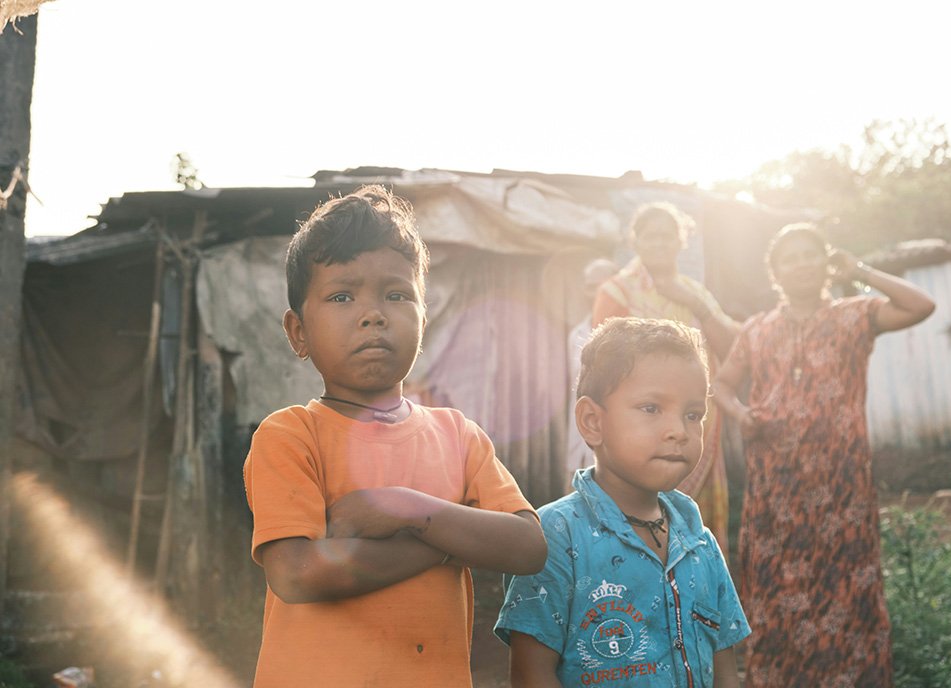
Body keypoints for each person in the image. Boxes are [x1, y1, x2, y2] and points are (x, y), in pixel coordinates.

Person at [243, 185, 547, 687]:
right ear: (298, 332)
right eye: (342, 295)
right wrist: (447, 545)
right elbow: (297, 574)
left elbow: (528, 546)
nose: (373, 313)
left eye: (397, 294)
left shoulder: (457, 435)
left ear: (424, 318)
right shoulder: (291, 435)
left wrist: (408, 508)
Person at [713, 223, 936, 687]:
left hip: (841, 485)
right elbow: (722, 385)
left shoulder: (856, 315)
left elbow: (921, 305)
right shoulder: (757, 330)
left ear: (825, 262)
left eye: (809, 254)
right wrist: (740, 415)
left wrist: (861, 271)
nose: (800, 264)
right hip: (777, 486)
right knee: (779, 587)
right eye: (789, 258)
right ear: (775, 271)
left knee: (846, 583)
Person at [496, 317, 750, 688]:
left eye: (693, 415)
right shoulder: (554, 538)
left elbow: (725, 667)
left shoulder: (701, 543)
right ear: (592, 421)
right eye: (651, 408)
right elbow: (531, 675)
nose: (679, 431)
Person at [593, 203, 738, 557]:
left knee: (696, 522)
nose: (659, 243)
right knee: (639, 514)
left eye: (667, 235)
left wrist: (696, 305)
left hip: (697, 420)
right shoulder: (618, 292)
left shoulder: (695, 291)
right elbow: (601, 365)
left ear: (681, 241)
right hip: (641, 425)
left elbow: (735, 346)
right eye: (650, 235)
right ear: (636, 241)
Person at [565, 257, 619, 491]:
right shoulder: (577, 335)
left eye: (604, 283)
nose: (597, 291)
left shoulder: (627, 335)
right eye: (591, 285)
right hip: (581, 440)